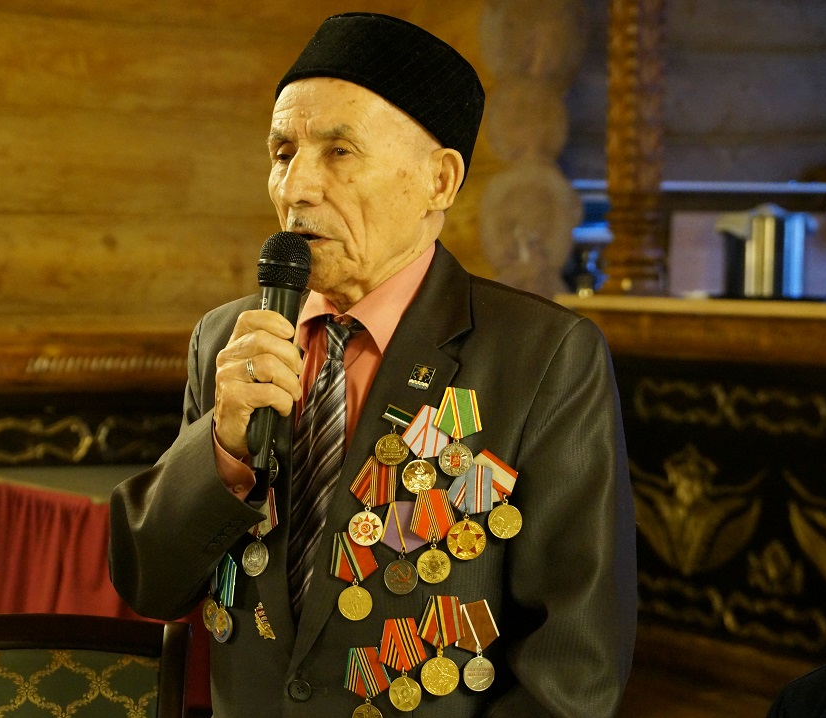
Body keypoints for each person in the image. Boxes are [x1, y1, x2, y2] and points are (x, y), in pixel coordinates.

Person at [110, 12, 636, 717]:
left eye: (339, 152)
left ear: (439, 180)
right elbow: (150, 583)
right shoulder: (228, 340)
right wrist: (224, 449)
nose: (296, 188)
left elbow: (572, 670)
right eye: (283, 152)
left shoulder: (542, 357)